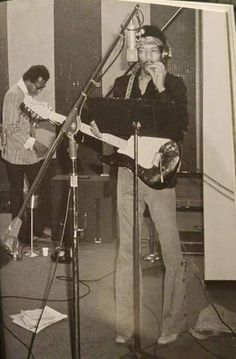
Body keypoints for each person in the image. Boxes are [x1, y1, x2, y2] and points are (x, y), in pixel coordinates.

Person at [89, 24, 189, 345]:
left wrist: (160, 89)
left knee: (169, 246)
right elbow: (108, 124)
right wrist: (93, 125)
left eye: (154, 50)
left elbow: (178, 127)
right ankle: (126, 323)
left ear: (164, 53)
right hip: (127, 171)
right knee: (127, 248)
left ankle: (173, 322)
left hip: (160, 173)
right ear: (135, 52)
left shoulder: (175, 84)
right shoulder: (123, 84)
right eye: (142, 50)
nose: (147, 56)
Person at [1, 65, 50, 246]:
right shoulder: (13, 95)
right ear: (29, 80)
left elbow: (23, 121)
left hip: (28, 154)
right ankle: (20, 234)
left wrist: (38, 118)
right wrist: (34, 143)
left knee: (36, 189)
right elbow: (10, 127)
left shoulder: (27, 94)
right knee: (17, 195)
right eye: (38, 86)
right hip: (15, 153)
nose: (39, 90)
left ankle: (35, 228)